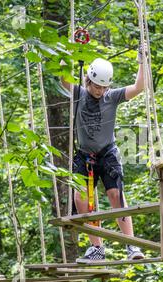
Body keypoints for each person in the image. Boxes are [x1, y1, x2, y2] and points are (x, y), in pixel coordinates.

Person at [60, 44, 147, 261]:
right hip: (84, 155)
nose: (100, 92)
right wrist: (67, 55)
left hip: (107, 153)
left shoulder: (112, 96)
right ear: (89, 81)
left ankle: (132, 246)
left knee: (115, 194)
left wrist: (142, 61)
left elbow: (138, 87)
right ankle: (97, 247)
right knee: (81, 198)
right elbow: (64, 79)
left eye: (104, 88)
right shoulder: (79, 93)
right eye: (97, 87)